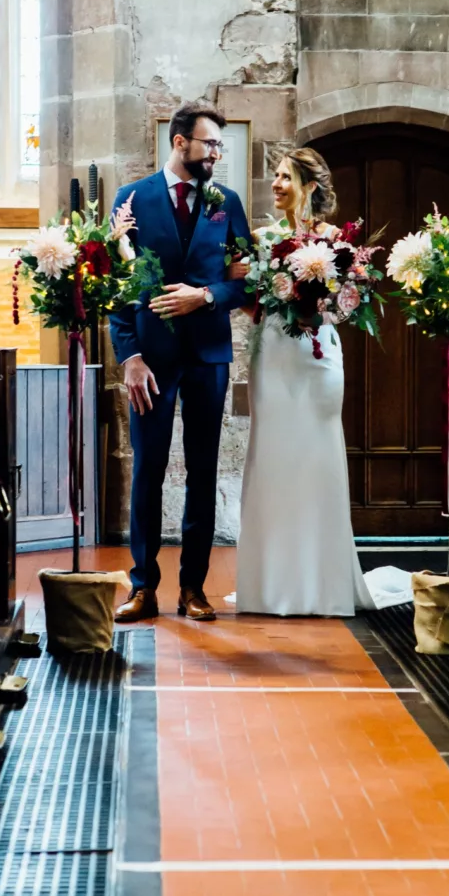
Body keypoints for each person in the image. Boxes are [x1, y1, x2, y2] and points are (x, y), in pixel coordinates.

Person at [109, 101, 250, 623]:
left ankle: (194, 588)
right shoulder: (133, 199)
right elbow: (113, 289)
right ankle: (142, 588)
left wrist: (205, 297)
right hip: (153, 360)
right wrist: (131, 358)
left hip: (208, 357)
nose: (216, 152)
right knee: (147, 470)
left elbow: (244, 282)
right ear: (180, 142)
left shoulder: (226, 202)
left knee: (203, 470)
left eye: (219, 145)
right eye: (209, 143)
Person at [231, 148, 376, 617]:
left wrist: (323, 303)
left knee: (317, 456)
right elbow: (246, 299)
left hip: (318, 358)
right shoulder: (260, 238)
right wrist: (256, 286)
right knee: (273, 455)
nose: (275, 184)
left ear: (309, 186)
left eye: (285, 177)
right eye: (274, 176)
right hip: (273, 353)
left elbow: (350, 304)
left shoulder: (338, 243)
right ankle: (269, 586)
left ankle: (323, 584)